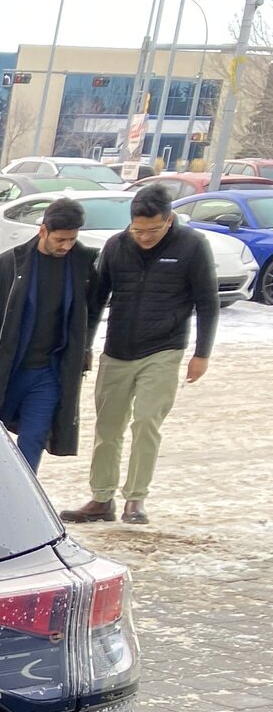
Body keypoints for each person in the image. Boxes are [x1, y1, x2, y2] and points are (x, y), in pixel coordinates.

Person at [63, 183, 217, 526]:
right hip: (117, 350)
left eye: (153, 230)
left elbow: (208, 301)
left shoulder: (192, 246)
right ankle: (102, 498)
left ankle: (136, 498)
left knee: (147, 421)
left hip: (164, 349)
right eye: (138, 230)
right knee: (108, 427)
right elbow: (96, 301)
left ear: (169, 220)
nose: (144, 237)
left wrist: (202, 353)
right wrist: (85, 347)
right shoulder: (117, 246)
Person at [0, 196, 95, 470]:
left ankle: (23, 489)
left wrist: (83, 349)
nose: (66, 246)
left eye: (72, 239)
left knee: (34, 437)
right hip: (8, 369)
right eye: (60, 239)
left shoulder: (82, 266)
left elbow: (90, 312)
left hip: (49, 373)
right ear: (43, 230)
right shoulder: (9, 265)